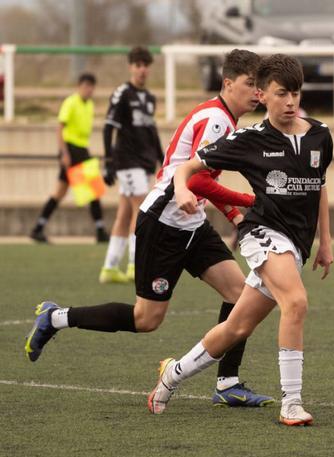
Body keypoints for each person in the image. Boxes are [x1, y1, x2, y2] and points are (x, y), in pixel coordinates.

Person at [26, 49, 275, 408]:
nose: (257, 93)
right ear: (227, 83)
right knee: (146, 319)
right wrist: (248, 203)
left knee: (240, 293)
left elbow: (200, 180)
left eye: (260, 86)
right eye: (250, 84)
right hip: (163, 224)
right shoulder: (217, 120)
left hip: (191, 224)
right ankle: (55, 317)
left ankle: (228, 383)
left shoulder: (224, 119)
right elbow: (199, 180)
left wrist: (234, 214)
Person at [146, 54, 334, 426]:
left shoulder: (319, 135)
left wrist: (325, 242)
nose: (291, 102)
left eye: (295, 93)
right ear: (263, 95)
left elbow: (320, 187)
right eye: (282, 94)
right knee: (295, 302)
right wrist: (182, 188)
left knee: (237, 327)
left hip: (296, 245)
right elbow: (188, 167)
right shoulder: (249, 140)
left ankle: (172, 375)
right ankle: (291, 403)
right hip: (262, 234)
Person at [99, 46, 164, 284]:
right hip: (127, 160)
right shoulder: (122, 93)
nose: (142, 70)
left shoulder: (149, 98)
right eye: (138, 65)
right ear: (131, 67)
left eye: (146, 65)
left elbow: (151, 130)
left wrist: (162, 157)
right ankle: (135, 265)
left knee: (125, 213)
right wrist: (107, 162)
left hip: (144, 161)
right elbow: (108, 127)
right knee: (142, 210)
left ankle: (109, 268)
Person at [30, 73, 109, 244]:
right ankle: (100, 230)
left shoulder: (90, 105)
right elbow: (60, 128)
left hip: (82, 150)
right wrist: (64, 153)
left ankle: (38, 228)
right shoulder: (71, 102)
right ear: (79, 86)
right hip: (71, 150)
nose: (88, 90)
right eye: (86, 86)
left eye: (91, 87)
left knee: (63, 192)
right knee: (90, 190)